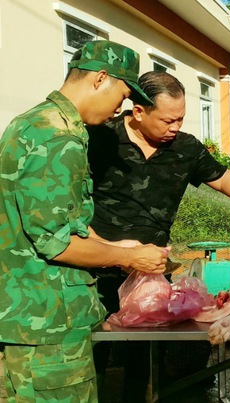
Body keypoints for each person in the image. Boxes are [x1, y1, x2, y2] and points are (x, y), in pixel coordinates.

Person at [87, 70, 230, 401]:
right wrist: (110, 249)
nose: (175, 127)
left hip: (148, 275)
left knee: (143, 361)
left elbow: (222, 177)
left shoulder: (185, 147)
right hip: (91, 270)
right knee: (94, 362)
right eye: (167, 120)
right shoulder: (99, 139)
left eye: (180, 118)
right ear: (139, 112)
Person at [0, 40, 168, 403]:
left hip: (39, 320)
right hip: (47, 325)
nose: (119, 109)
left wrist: (115, 246)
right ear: (100, 79)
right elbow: (55, 242)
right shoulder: (58, 138)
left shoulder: (34, 124)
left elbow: (61, 220)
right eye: (122, 96)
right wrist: (128, 259)